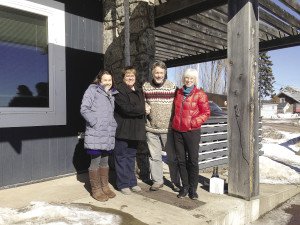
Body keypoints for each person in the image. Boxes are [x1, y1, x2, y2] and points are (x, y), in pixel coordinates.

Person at [172, 68, 210, 200]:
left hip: (192, 132)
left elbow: (206, 113)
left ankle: (193, 189)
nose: (188, 80)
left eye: (191, 78)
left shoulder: (200, 94)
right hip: (177, 131)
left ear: (195, 80)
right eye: (187, 78)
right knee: (181, 161)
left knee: (192, 161)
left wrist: (192, 123)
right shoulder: (178, 93)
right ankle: (185, 187)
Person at [142, 61, 181, 192]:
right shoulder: (146, 87)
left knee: (172, 157)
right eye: (156, 72)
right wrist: (144, 107)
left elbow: (179, 105)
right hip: (151, 129)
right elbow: (140, 102)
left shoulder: (172, 87)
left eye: (161, 73)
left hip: (168, 130)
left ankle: (176, 182)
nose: (159, 75)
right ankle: (158, 181)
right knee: (155, 157)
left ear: (165, 73)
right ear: (152, 73)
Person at [80, 70, 118, 202]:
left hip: (107, 133)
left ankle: (105, 187)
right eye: (105, 80)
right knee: (95, 160)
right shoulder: (92, 90)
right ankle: (96, 190)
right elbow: (84, 108)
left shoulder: (111, 94)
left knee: (105, 160)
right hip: (96, 132)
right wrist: (95, 122)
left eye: (110, 80)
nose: (108, 82)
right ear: (99, 80)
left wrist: (112, 124)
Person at [114, 66, 146, 195]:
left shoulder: (139, 90)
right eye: (127, 75)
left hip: (135, 130)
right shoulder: (118, 90)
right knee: (121, 156)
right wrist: (142, 109)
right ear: (123, 77)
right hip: (122, 129)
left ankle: (132, 182)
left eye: (132, 75)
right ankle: (122, 184)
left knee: (131, 156)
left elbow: (138, 106)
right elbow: (126, 108)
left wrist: (138, 108)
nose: (130, 77)